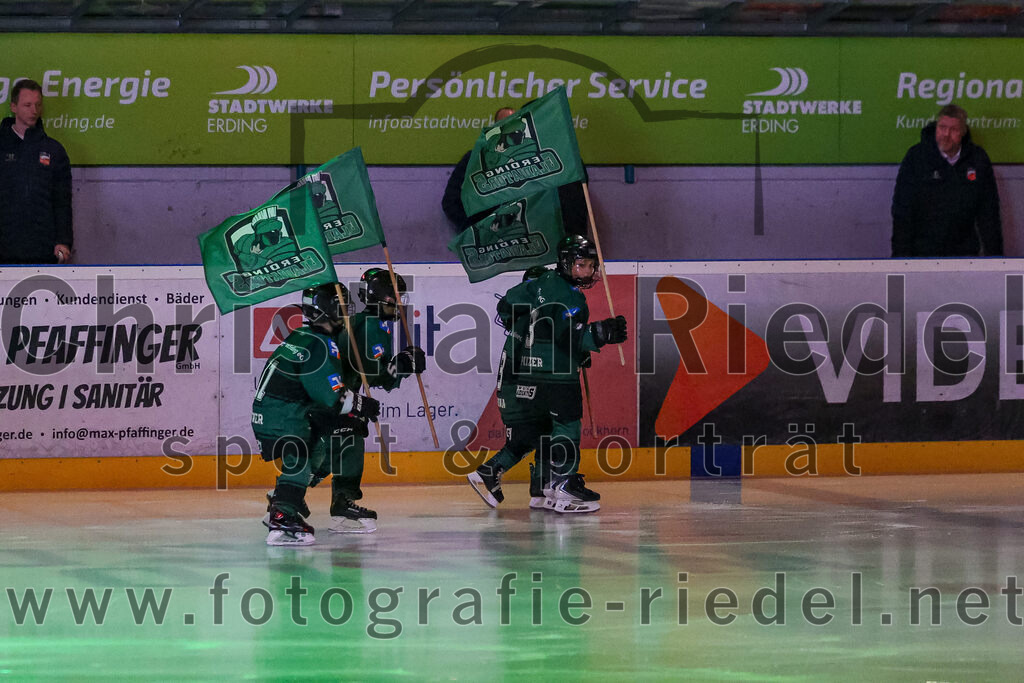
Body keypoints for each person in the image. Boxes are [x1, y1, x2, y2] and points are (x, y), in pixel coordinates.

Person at [467, 237, 628, 513]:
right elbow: (564, 334)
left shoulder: (537, 285)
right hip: (555, 375)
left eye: (590, 266)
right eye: (580, 265)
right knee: (567, 427)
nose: (586, 272)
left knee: (542, 432)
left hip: (531, 376)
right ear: (566, 263)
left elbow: (507, 304)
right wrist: (600, 334)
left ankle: (544, 486)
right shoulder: (566, 293)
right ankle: (564, 486)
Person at [253, 282, 381, 546]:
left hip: (274, 412)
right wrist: (362, 405)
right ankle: (282, 514)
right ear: (330, 310)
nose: (346, 314)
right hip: (285, 416)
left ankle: (286, 497)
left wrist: (351, 412)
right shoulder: (322, 345)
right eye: (343, 307)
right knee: (308, 449)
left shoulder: (301, 335)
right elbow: (332, 397)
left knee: (334, 435)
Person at [325, 267, 426, 532]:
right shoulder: (373, 325)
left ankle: (308, 497)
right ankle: (319, 499)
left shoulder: (361, 320)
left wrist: (402, 362)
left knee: (341, 440)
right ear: (382, 298)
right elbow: (375, 375)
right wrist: (404, 364)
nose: (400, 303)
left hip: (334, 394)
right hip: (333, 396)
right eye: (397, 297)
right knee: (346, 438)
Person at [442, 106, 588, 236]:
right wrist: (475, 228)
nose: (512, 130)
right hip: (491, 243)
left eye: (516, 127)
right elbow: (451, 200)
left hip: (536, 238)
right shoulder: (475, 159)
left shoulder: (537, 157)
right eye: (505, 125)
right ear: (495, 128)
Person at [891, 104, 1003, 257]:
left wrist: (995, 259)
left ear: (963, 133)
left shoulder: (978, 159)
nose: (946, 134)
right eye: (942, 127)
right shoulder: (917, 157)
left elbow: (989, 214)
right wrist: (900, 259)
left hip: (965, 254)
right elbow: (902, 211)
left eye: (953, 130)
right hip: (922, 253)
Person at [0, 78, 73, 265]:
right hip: (4, 247)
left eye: (37, 105)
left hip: (43, 248)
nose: (34, 110)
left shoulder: (54, 150)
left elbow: (62, 202)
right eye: (27, 105)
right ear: (13, 107)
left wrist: (63, 241)